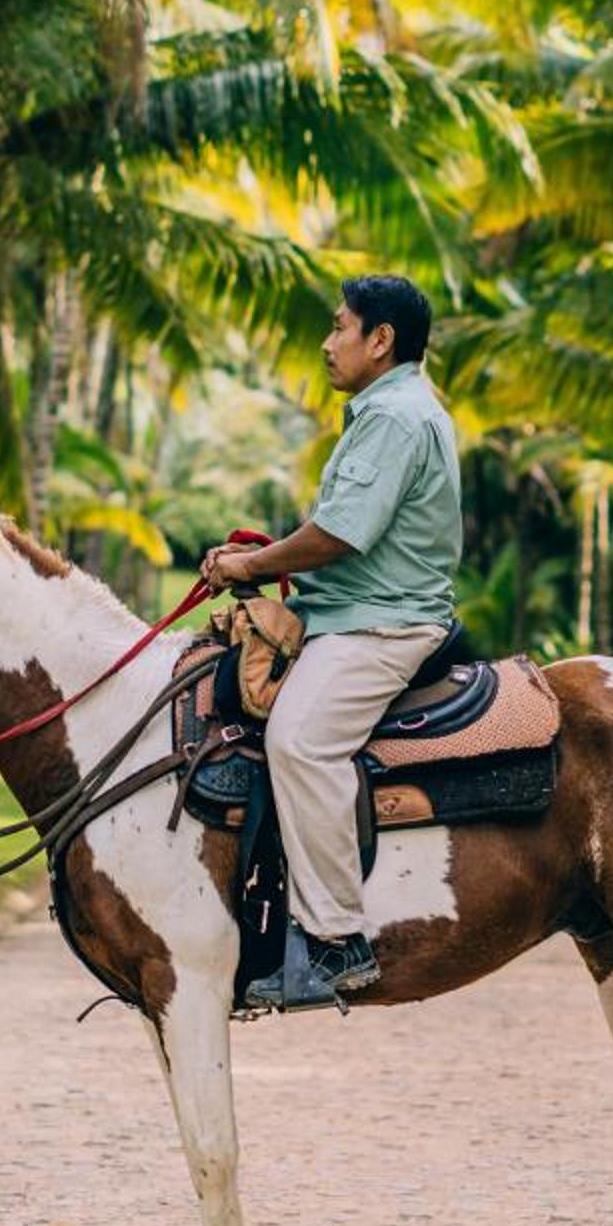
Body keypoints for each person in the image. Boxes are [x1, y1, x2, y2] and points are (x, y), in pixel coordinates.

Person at [200, 273, 461, 1011]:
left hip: (382, 623)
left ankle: (335, 943)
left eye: (340, 326)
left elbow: (340, 534)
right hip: (351, 614)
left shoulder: (396, 418)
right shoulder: (389, 408)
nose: (326, 341)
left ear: (380, 341)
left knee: (300, 740)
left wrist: (248, 564)